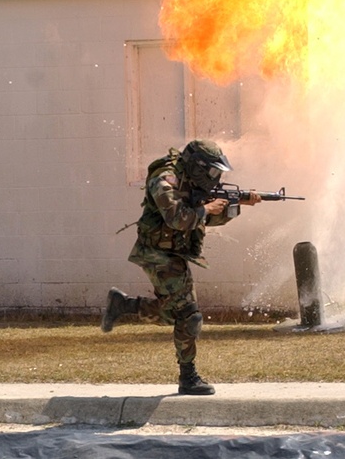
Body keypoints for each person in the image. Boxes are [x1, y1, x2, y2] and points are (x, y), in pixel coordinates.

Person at [101, 139, 261, 395]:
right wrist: (207, 208)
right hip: (156, 253)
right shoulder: (165, 178)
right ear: (196, 166)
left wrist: (237, 204)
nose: (215, 177)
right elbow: (177, 218)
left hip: (172, 253)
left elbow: (205, 220)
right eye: (211, 171)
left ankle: (123, 305)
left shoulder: (194, 183)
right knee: (189, 315)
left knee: (170, 315)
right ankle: (188, 377)